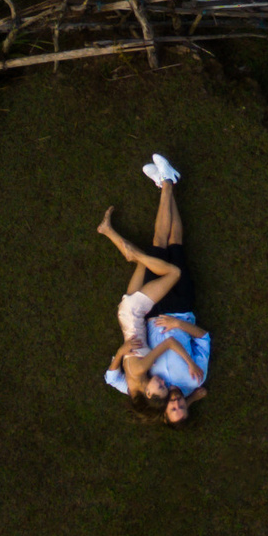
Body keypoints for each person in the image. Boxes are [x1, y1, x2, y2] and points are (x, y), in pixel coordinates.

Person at [99, 156, 210, 423]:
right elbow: (204, 338)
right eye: (179, 407)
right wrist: (192, 396)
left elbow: (113, 378)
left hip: (145, 312)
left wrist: (124, 349)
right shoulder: (193, 381)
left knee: (161, 255)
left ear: (152, 397)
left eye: (172, 408)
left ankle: (168, 183)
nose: (174, 402)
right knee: (173, 244)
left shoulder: (140, 378)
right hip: (176, 311)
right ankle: (166, 182)